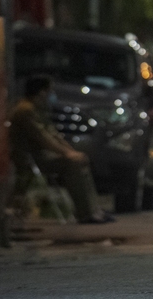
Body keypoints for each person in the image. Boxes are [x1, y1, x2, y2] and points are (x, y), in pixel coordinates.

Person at [9, 75, 114, 224]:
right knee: (73, 165)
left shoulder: (38, 109)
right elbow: (44, 139)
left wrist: (72, 152)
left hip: (40, 157)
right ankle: (85, 213)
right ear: (41, 92)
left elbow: (55, 136)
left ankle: (93, 209)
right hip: (29, 160)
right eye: (50, 91)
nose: (52, 95)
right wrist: (68, 154)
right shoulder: (25, 111)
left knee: (80, 160)